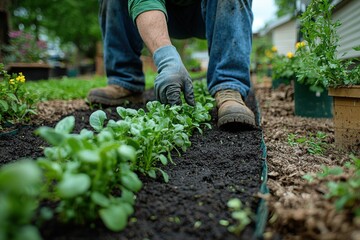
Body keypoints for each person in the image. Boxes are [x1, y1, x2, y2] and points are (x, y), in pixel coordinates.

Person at [87, 0, 255, 128]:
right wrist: (166, 58)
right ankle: (125, 80)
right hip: (160, 13)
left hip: (213, 10)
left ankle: (229, 86)